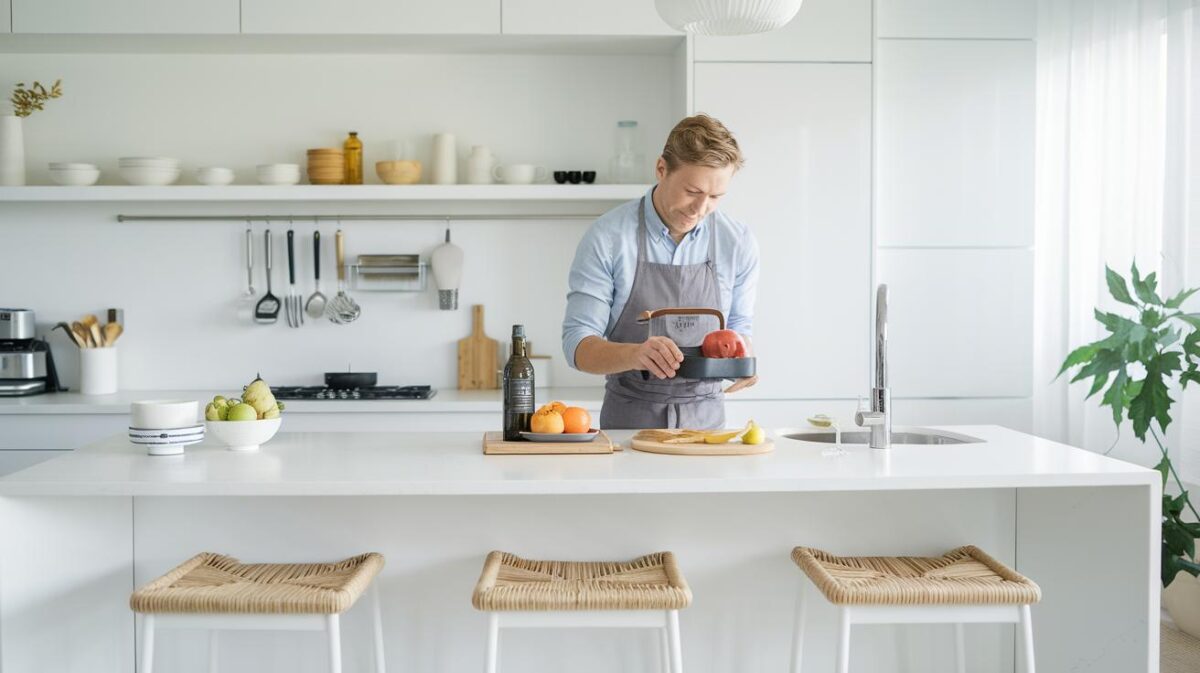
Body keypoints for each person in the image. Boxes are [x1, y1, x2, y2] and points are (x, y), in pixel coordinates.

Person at [561, 114, 760, 430]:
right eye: (692, 191)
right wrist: (635, 355)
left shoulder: (737, 242)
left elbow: (738, 326)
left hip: (707, 427)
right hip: (629, 424)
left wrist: (742, 359)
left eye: (715, 197)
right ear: (661, 169)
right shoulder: (608, 237)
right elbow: (577, 345)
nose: (700, 209)